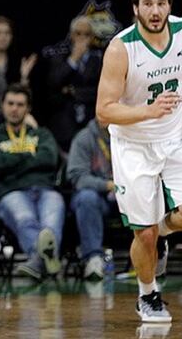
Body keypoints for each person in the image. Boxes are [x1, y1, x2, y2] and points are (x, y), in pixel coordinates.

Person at [96, 0, 182, 323]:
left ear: (169, 6)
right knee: (141, 232)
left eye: (161, 3)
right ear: (135, 8)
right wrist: (149, 111)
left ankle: (161, 231)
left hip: (175, 138)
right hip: (133, 144)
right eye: (147, 4)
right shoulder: (121, 48)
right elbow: (104, 111)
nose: (155, 10)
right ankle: (148, 295)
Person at [0, 83, 65, 281]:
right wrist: (30, 156)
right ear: (2, 106)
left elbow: (50, 159)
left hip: (46, 189)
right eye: (10, 103)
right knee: (25, 218)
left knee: (50, 222)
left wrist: (11, 160)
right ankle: (46, 259)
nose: (15, 108)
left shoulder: (41, 134)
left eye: (20, 104)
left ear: (28, 108)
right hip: (10, 191)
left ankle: (36, 260)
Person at [66, 118, 118, 280]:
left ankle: (154, 255)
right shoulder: (84, 138)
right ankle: (93, 258)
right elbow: (78, 178)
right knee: (86, 198)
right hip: (100, 199)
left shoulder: (133, 135)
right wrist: (108, 185)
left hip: (128, 196)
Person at [45, 15, 103, 151]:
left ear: (92, 37)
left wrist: (73, 91)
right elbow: (53, 83)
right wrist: (74, 59)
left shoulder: (99, 60)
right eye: (78, 33)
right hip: (64, 125)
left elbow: (99, 91)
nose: (82, 37)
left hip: (91, 122)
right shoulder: (59, 58)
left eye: (87, 34)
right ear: (71, 35)